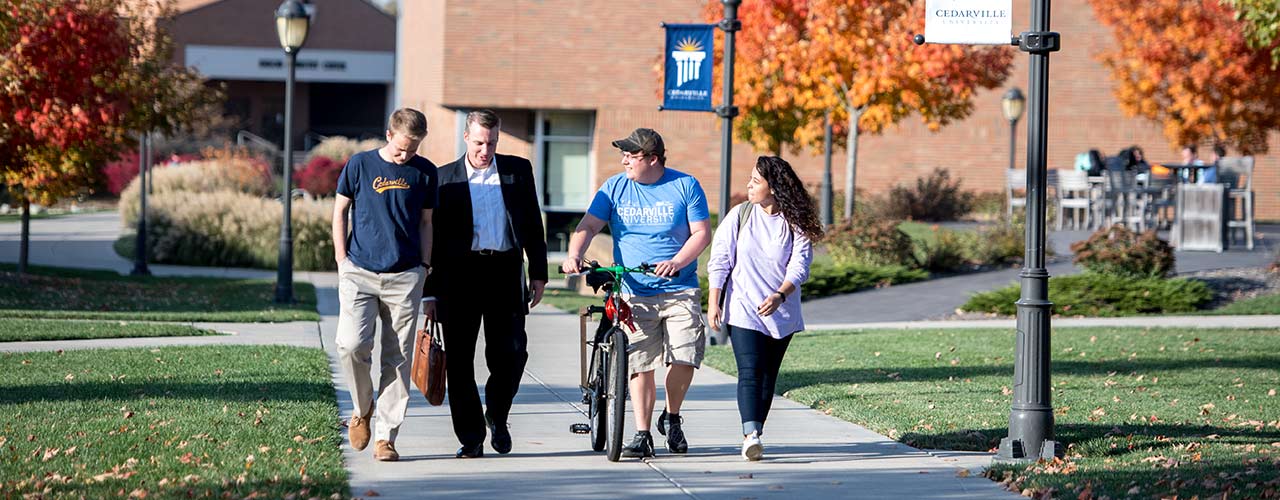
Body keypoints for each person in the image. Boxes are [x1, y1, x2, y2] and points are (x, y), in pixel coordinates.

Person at [561, 127, 712, 459]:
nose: (624, 160)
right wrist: (574, 254)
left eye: (632, 155)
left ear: (653, 158)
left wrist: (677, 261)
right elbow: (588, 226)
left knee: (685, 356)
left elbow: (701, 233)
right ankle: (642, 434)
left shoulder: (685, 185)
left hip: (679, 288)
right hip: (633, 289)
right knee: (640, 362)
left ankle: (672, 417)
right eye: (623, 155)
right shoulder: (615, 187)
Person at [422, 109, 548, 459]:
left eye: (491, 142)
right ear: (466, 138)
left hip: (505, 271)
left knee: (511, 354)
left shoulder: (517, 170)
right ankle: (472, 437)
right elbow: (430, 237)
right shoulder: (444, 178)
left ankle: (497, 414)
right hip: (458, 277)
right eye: (479, 142)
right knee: (460, 363)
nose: (485, 150)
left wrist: (538, 272)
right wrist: (429, 291)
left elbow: (533, 224)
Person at [332, 108, 437, 462]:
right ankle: (362, 409)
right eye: (402, 147)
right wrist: (341, 260)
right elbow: (340, 211)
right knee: (350, 345)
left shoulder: (425, 172)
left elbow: (426, 223)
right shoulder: (360, 165)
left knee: (398, 357)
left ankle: (386, 437)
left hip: (405, 275)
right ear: (389, 134)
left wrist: (424, 266)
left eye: (414, 149)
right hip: (359, 272)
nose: (406, 155)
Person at [706, 156, 820, 461]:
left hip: (781, 312)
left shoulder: (796, 222)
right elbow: (719, 260)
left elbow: (800, 266)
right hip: (742, 307)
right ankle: (751, 434)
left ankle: (756, 431)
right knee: (750, 372)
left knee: (768, 376)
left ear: (774, 187)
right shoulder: (740, 215)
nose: (749, 186)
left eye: (756, 181)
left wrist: (780, 295)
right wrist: (713, 301)